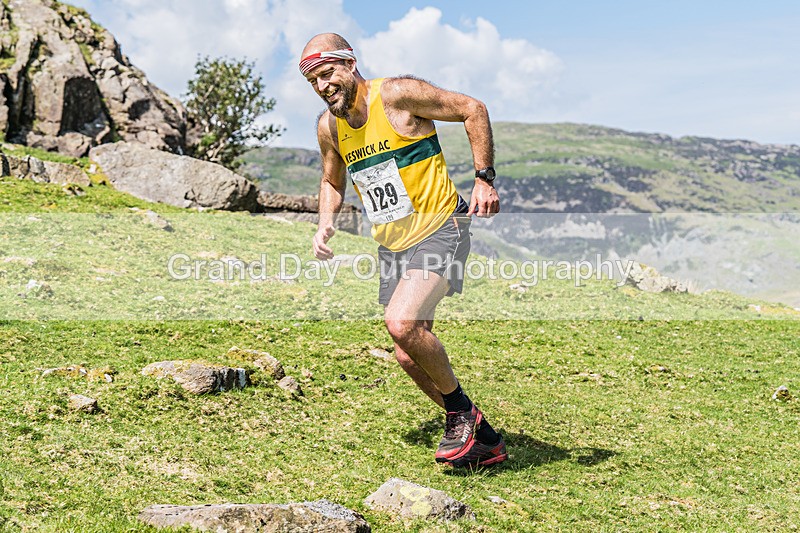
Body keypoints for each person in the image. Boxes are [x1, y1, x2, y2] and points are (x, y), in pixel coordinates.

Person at [300, 33, 506, 468]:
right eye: (313, 80)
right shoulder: (329, 127)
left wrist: (484, 178)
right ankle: (481, 435)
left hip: (442, 226)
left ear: (349, 64)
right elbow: (332, 180)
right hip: (393, 244)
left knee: (401, 322)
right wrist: (324, 223)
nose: (322, 86)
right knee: (408, 353)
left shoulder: (396, 95)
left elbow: (473, 109)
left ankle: (462, 418)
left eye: (328, 73)